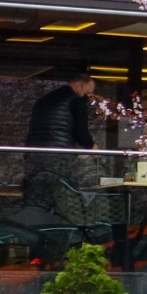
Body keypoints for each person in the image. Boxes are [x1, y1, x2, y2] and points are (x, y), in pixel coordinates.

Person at [21, 71, 98, 220]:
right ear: (78, 86)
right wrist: (92, 147)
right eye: (88, 94)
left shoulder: (43, 100)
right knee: (66, 202)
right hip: (59, 158)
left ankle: (33, 233)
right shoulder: (76, 100)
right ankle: (62, 235)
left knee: (36, 202)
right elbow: (80, 132)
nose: (88, 99)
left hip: (34, 157)